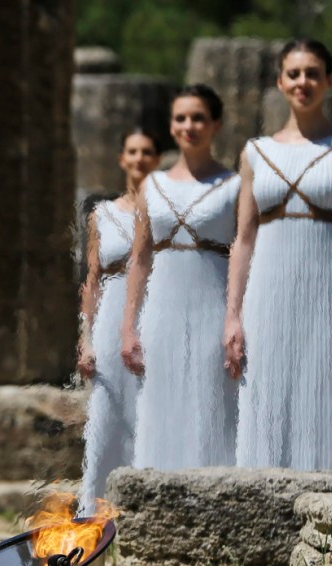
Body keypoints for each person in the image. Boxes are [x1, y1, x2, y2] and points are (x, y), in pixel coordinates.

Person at [224, 39, 332, 471]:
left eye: (312, 73)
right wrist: (233, 314)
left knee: (329, 405)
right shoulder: (255, 153)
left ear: (329, 80)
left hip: (330, 295)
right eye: (294, 74)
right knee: (266, 402)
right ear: (280, 82)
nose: (303, 82)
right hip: (267, 297)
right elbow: (244, 239)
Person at [121, 85, 240, 470]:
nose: (190, 126)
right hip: (163, 310)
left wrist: (236, 318)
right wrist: (128, 326)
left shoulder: (236, 185)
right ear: (172, 126)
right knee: (160, 406)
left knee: (212, 408)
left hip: (213, 306)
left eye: (199, 118)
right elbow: (140, 258)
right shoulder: (151, 185)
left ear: (216, 124)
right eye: (181, 118)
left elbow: (243, 251)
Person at [77, 128, 160, 513]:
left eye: (147, 152)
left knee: (150, 410)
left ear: (157, 160)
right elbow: (92, 279)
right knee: (109, 414)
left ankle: (144, 508)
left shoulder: (166, 210)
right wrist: (86, 337)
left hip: (155, 311)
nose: (139, 159)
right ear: (122, 159)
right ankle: (96, 509)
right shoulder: (102, 214)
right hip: (111, 316)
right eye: (133, 152)